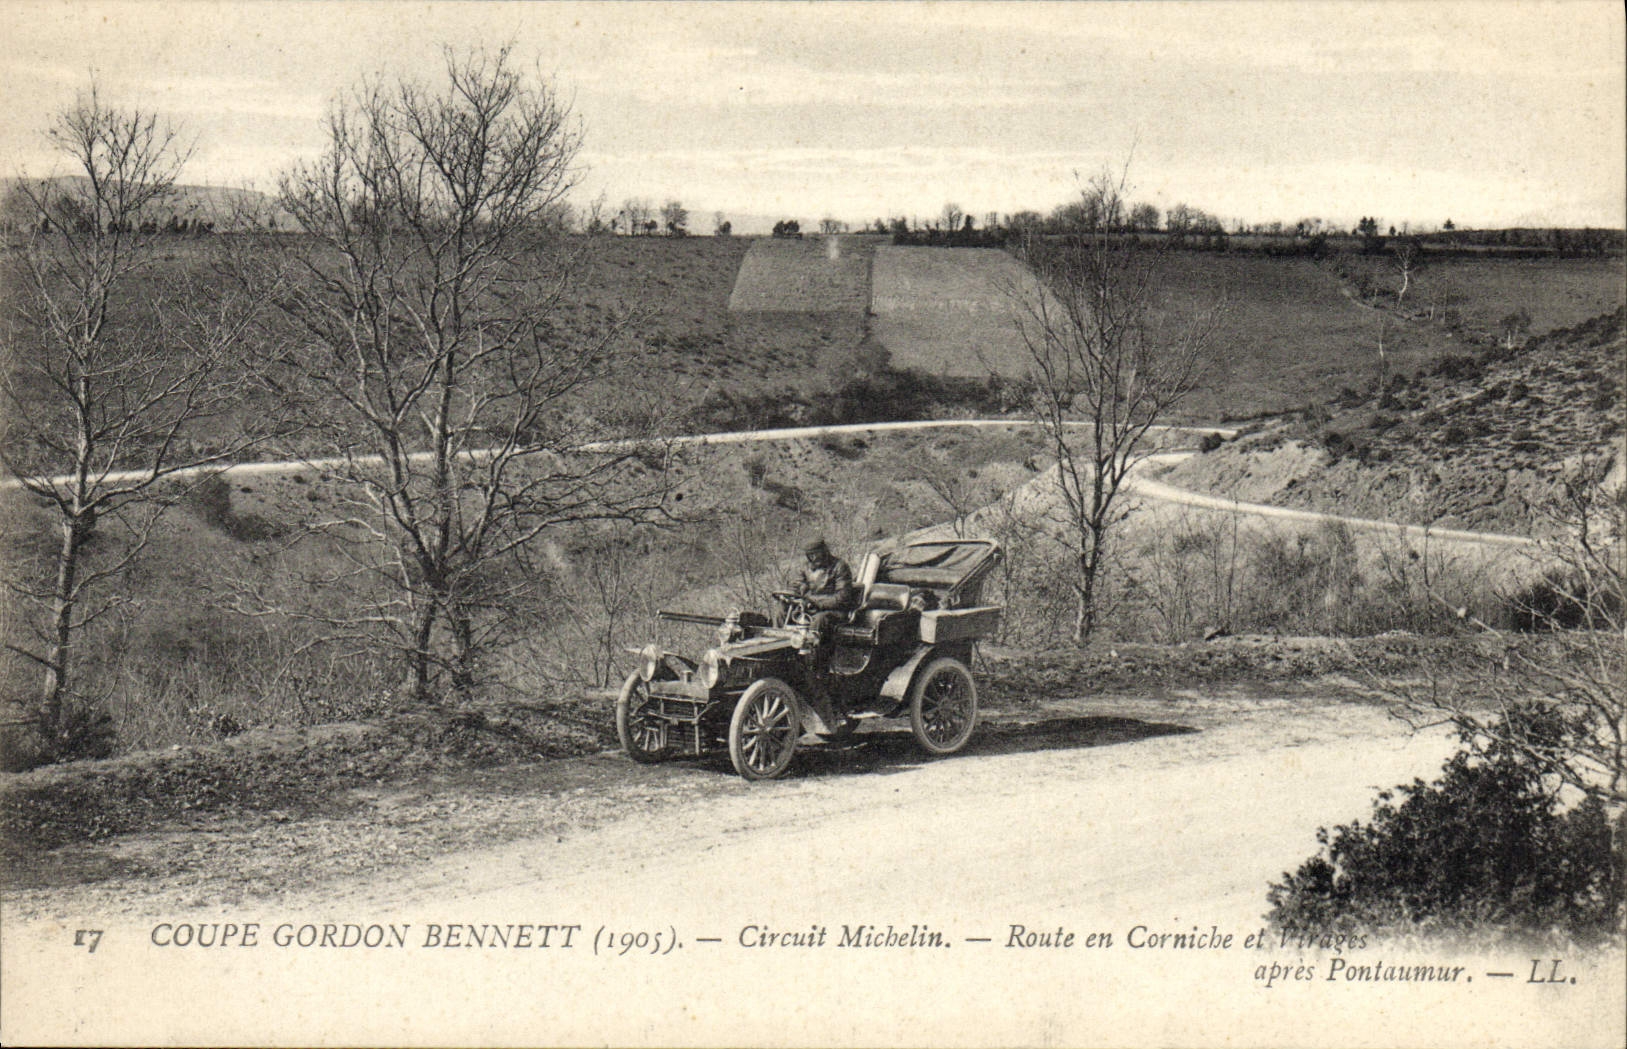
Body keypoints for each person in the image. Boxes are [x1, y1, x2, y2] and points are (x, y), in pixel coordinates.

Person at [792, 538, 859, 685]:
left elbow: (842, 597)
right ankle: (785, 656)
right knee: (781, 612)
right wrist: (799, 598)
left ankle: (814, 667)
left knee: (819, 620)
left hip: (836, 611)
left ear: (824, 551)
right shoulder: (805, 568)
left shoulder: (839, 567)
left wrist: (814, 601)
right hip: (810, 609)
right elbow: (796, 587)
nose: (813, 558)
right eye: (810, 555)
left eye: (816, 553)